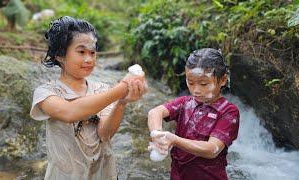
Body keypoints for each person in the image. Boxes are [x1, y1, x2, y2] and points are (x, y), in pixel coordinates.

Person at [30, 16, 147, 180]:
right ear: (60, 55)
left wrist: (122, 102)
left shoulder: (102, 90)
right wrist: (121, 88)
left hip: (101, 173)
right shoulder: (46, 92)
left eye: (92, 53)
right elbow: (69, 112)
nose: (89, 59)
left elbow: (105, 134)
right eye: (81, 52)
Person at [147, 48, 240, 180]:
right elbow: (155, 112)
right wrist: (157, 134)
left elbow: (211, 149)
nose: (196, 90)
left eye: (203, 83)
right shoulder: (185, 103)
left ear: (223, 80)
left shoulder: (228, 112)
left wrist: (174, 140)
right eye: (190, 82)